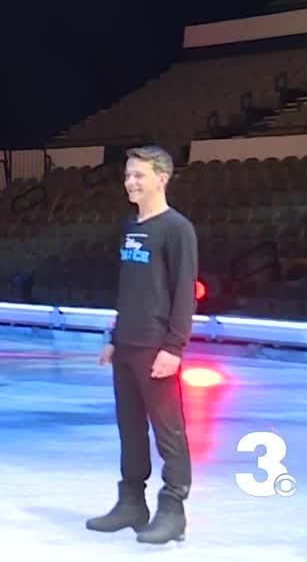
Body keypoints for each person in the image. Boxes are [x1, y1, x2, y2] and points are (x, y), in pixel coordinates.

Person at [88, 145, 197, 544]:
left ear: (162, 178)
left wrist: (174, 347)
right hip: (127, 346)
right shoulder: (129, 227)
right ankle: (132, 503)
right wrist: (114, 338)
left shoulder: (177, 228)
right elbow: (128, 289)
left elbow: (184, 292)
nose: (130, 182)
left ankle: (174, 509)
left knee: (168, 432)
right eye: (127, 175)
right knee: (130, 429)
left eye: (139, 175)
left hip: (157, 348)